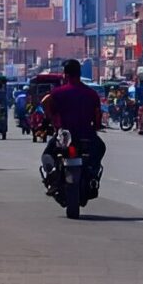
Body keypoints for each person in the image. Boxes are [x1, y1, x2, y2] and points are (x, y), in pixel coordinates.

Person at [40, 59, 105, 194]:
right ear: (80, 74)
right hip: (86, 134)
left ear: (65, 75)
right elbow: (97, 116)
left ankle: (51, 176)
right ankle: (93, 173)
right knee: (100, 148)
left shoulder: (58, 93)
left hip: (64, 134)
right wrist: (97, 126)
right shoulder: (91, 94)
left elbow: (45, 102)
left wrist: (51, 120)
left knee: (48, 153)